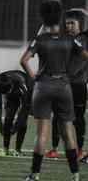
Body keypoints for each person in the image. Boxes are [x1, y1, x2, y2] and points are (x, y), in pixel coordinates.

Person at [20, 0, 88, 181]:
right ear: (60, 16)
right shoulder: (70, 39)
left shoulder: (40, 39)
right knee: (68, 131)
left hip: (43, 86)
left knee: (42, 134)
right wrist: (71, 70)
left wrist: (34, 77)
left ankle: (35, 174)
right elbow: (84, 56)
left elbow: (24, 60)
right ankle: (75, 174)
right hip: (64, 86)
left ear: (43, 17)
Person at [45, 9, 88, 160]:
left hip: (78, 85)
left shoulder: (83, 39)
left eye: (72, 23)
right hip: (62, 84)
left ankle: (80, 150)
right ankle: (54, 149)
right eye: (67, 23)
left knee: (78, 118)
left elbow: (80, 63)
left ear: (80, 25)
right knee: (57, 116)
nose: (69, 26)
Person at [0, 70, 33, 157]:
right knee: (8, 118)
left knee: (22, 122)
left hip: (26, 93)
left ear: (11, 85)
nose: (7, 94)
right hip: (13, 96)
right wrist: (0, 122)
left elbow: (26, 106)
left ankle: (18, 150)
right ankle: (5, 149)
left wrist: (17, 124)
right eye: (5, 93)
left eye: (8, 91)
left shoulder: (21, 82)